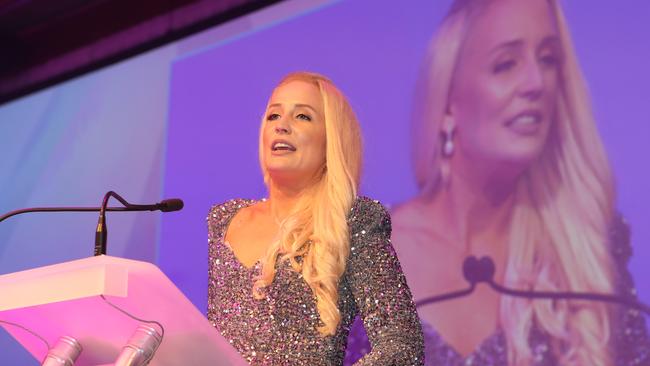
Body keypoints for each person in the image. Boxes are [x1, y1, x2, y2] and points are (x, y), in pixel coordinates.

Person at [345, 0, 649, 365]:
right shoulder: (364, 250)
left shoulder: (587, 247)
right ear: (449, 101)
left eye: (548, 59)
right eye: (506, 64)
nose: (536, 83)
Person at [206, 72, 424, 365]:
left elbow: (402, 345)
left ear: (330, 140)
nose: (282, 126)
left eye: (302, 117)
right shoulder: (225, 220)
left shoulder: (352, 221)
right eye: (273, 116)